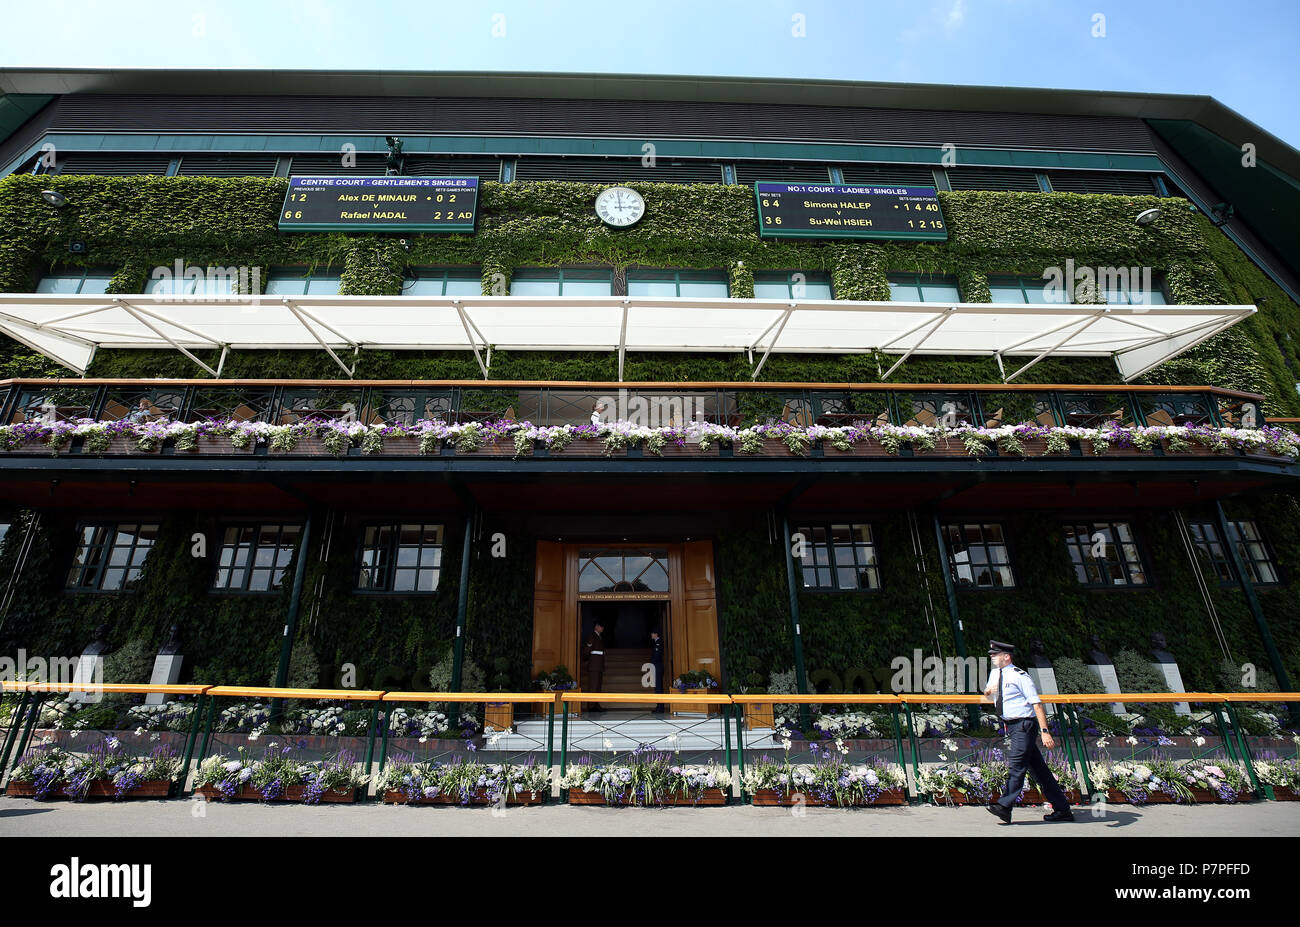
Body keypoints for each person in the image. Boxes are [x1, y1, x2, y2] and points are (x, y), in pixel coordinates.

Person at [983, 640, 1074, 824]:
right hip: (1012, 726)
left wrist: (1045, 731)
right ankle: (1062, 809)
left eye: (995, 654)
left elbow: (1037, 705)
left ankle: (1004, 806)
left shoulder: (1020, 676)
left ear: (1006, 657)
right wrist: (987, 692)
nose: (992, 656)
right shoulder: (995, 674)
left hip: (1024, 725)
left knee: (1016, 765)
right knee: (1040, 771)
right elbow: (989, 694)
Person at [584, 622, 606, 695]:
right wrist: (588, 661)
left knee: (598, 687)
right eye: (601, 626)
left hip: (598, 666)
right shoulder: (592, 636)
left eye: (603, 627)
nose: (602, 628)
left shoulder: (599, 636)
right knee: (593, 687)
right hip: (594, 666)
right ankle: (591, 706)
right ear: (596, 626)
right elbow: (587, 651)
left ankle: (595, 704)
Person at [649, 628, 665, 714]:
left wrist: (651, 662)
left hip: (657, 667)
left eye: (652, 633)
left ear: (656, 634)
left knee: (659, 688)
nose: (651, 635)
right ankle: (659, 706)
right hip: (656, 667)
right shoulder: (656, 643)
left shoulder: (659, 643)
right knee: (657, 687)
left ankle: (660, 708)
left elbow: (656, 656)